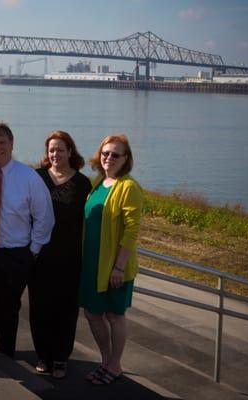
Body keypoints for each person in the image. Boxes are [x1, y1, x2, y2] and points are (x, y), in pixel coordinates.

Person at [0, 121, 54, 360]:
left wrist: (32, 250)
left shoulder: (29, 177)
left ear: (11, 144)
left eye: (2, 143)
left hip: (15, 253)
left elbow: (44, 217)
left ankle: (6, 353)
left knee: (8, 306)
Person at [79, 134, 142, 385]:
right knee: (92, 313)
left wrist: (119, 266)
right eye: (105, 153)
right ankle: (105, 361)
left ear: (126, 159)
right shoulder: (98, 183)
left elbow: (131, 231)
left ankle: (115, 366)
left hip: (115, 267)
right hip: (92, 264)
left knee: (115, 316)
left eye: (116, 154)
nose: (109, 158)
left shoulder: (128, 187)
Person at [29, 130, 92, 379]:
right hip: (39, 256)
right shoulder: (37, 178)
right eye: (51, 150)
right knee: (39, 308)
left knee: (65, 310)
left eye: (60, 149)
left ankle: (61, 358)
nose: (55, 154)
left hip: (70, 258)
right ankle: (43, 355)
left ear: (70, 152)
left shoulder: (83, 183)